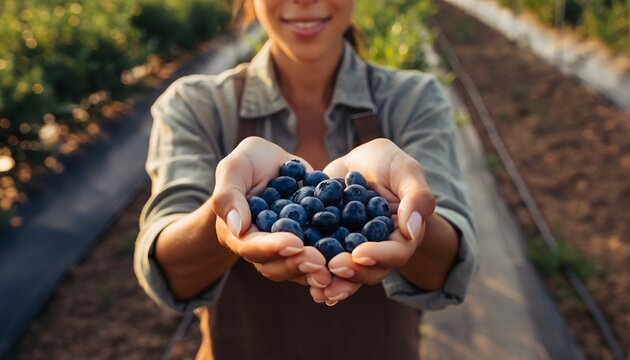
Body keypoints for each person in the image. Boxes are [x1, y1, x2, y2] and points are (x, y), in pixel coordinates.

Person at [135, 0, 479, 359]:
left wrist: (412, 221)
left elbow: (448, 269)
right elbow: (170, 272)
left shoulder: (413, 100)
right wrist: (223, 221)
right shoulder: (197, 106)